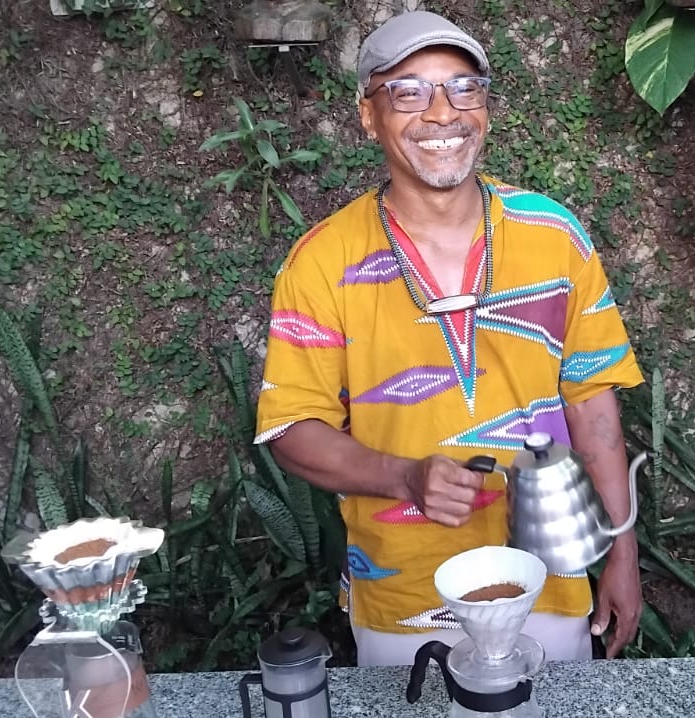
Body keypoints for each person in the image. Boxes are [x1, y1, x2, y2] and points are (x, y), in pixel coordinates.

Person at [253, 10, 646, 667]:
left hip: (547, 581)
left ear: (485, 108)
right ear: (368, 115)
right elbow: (292, 428)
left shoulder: (555, 237)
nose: (442, 113)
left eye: (464, 88)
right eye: (408, 92)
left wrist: (622, 550)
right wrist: (404, 476)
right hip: (403, 596)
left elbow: (591, 403)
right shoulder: (321, 262)